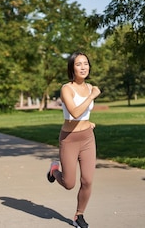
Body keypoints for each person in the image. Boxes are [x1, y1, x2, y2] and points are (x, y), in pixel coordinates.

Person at [47, 52, 100, 228]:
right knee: (69, 183)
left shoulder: (90, 86)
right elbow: (75, 112)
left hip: (87, 138)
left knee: (87, 181)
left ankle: (79, 215)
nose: (83, 67)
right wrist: (92, 96)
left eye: (86, 63)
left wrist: (88, 122)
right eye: (79, 64)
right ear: (72, 68)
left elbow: (84, 114)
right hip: (69, 139)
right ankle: (54, 170)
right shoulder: (66, 89)